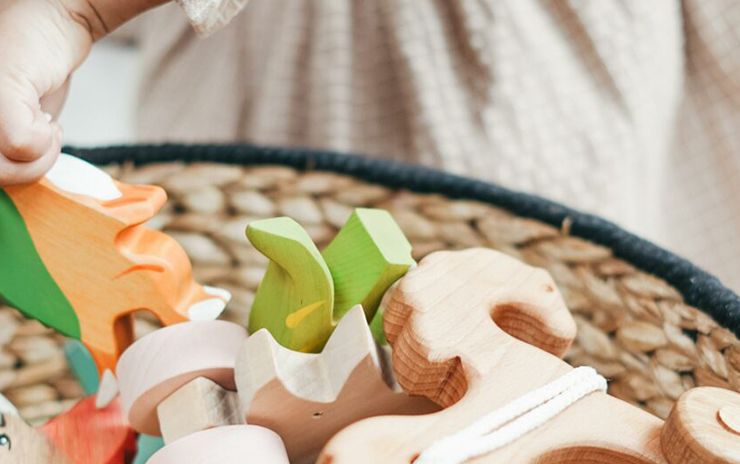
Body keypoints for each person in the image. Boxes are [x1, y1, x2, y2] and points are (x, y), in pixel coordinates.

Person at [0, 0, 738, 290]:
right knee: (249, 279)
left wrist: (77, 9)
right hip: (260, 46)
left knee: (552, 284)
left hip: (524, 67)